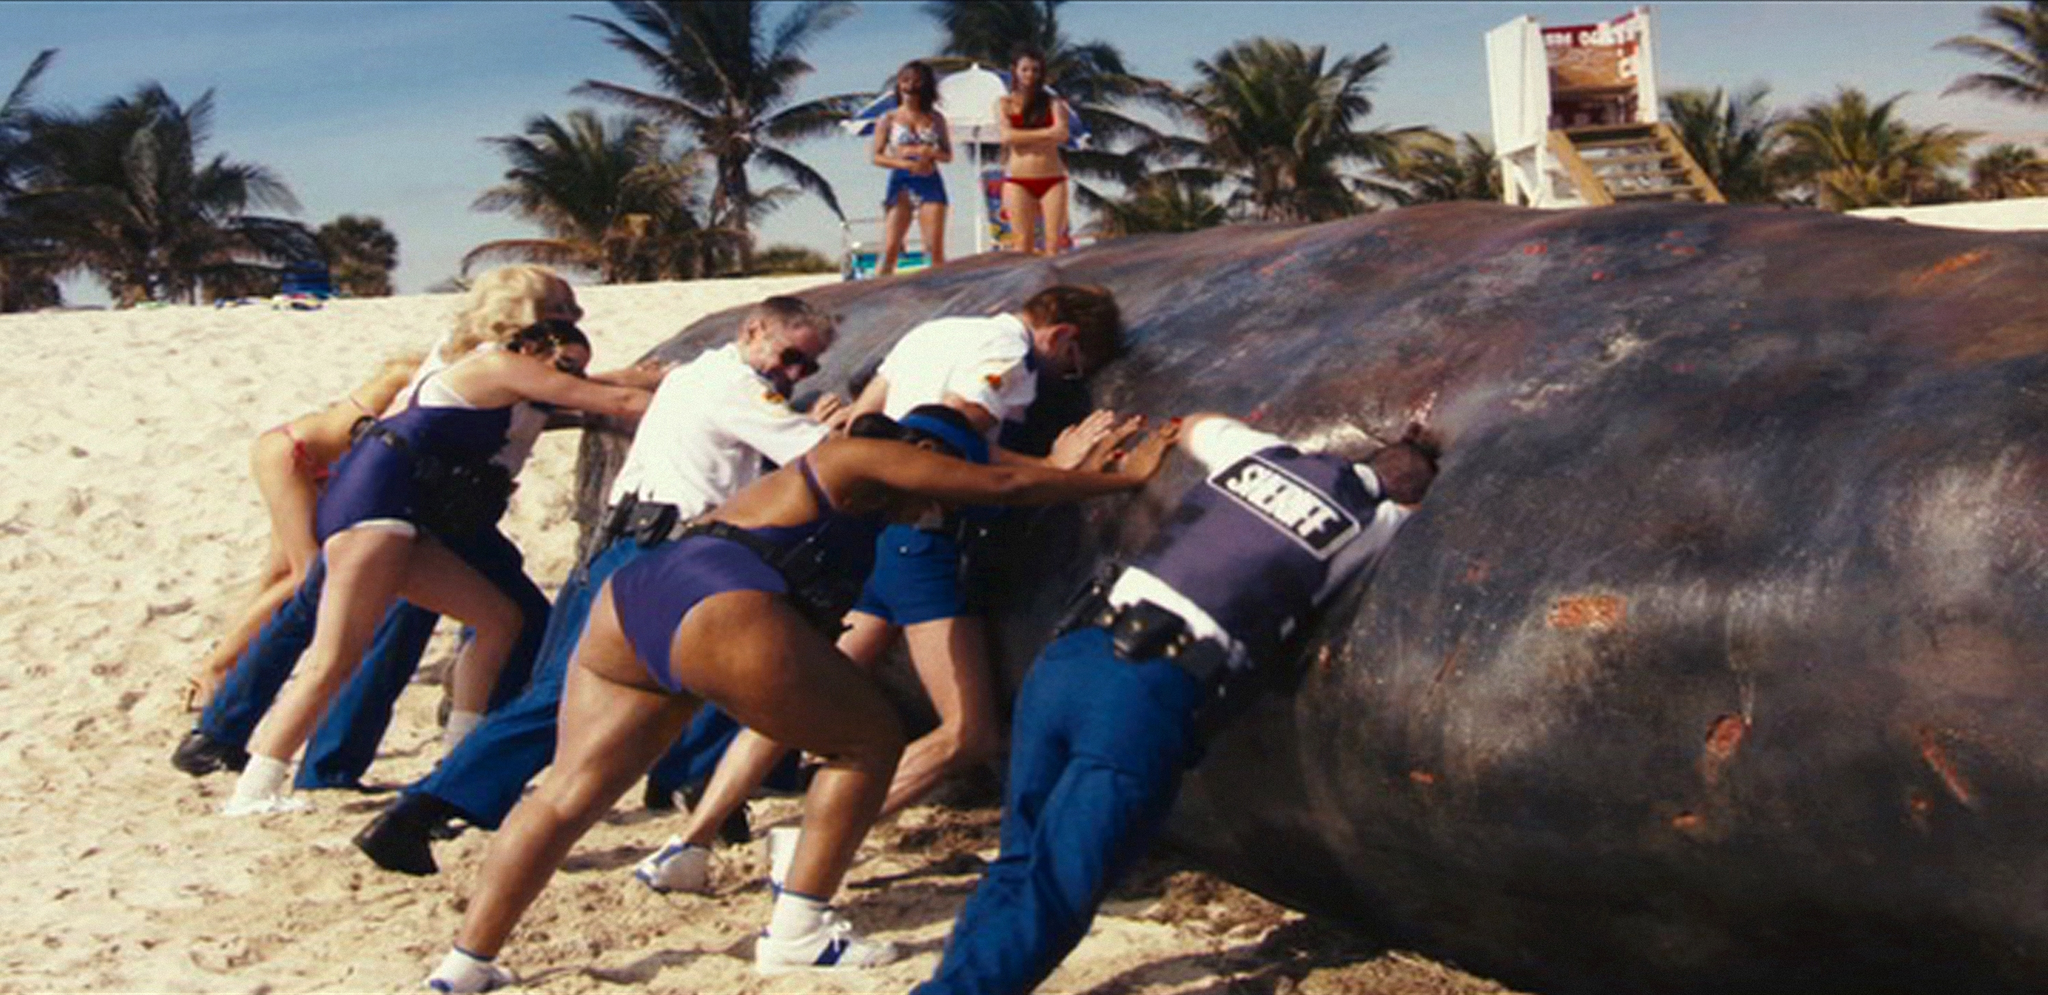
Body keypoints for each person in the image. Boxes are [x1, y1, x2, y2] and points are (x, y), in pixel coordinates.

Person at [420, 405, 1178, 993]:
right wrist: (1122, 475)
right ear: (925, 458)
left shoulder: (836, 490)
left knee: (566, 791)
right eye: (934, 489)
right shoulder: (864, 454)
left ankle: (466, 962)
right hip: (716, 594)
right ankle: (799, 929)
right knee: (870, 742)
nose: (931, 508)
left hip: (641, 597)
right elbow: (1002, 482)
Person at [912, 414, 1444, 995]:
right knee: (1061, 884)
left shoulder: (1262, 454)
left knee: (1019, 859)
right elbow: (1416, 531)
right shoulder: (1378, 522)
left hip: (1069, 657)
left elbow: (1195, 425)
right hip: (1144, 695)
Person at [632, 284, 1135, 892]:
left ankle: (689, 843)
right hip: (927, 536)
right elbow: (962, 446)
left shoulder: (937, 326)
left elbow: (860, 420)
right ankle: (807, 844)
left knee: (797, 703)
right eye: (1074, 364)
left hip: (880, 531)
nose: (1068, 375)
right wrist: (1057, 467)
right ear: (1064, 337)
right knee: (968, 732)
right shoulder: (1003, 351)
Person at [353, 296, 841, 876]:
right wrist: (835, 425)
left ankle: (689, 776)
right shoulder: (736, 387)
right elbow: (819, 458)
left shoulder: (696, 375)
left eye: (806, 368)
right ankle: (422, 810)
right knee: (570, 695)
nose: (791, 374)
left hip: (628, 543)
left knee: (698, 678)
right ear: (754, 330)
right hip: (656, 549)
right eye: (789, 357)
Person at [170, 266, 612, 788]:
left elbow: (553, 399)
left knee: (324, 607)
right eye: (559, 312)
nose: (571, 323)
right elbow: (556, 396)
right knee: (381, 623)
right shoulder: (496, 361)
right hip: (410, 503)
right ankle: (329, 761)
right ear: (523, 316)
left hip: (410, 498)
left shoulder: (480, 355)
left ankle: (230, 734)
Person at [183, 350, 422, 711]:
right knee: (306, 573)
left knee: (278, 574)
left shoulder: (412, 372)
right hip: (292, 454)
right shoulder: (412, 375)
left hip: (312, 461)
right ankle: (213, 668)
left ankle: (228, 661)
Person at [871, 59, 952, 275]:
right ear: (898, 84)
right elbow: (876, 156)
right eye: (905, 80)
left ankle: (940, 297)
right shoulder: (888, 119)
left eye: (916, 81)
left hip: (930, 178)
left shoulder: (935, 118)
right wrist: (904, 162)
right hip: (902, 181)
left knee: (934, 249)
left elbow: (947, 155)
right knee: (890, 247)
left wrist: (931, 152)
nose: (910, 86)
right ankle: (878, 294)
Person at [996, 46, 1071, 256]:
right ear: (1015, 71)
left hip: (1052, 178)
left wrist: (1023, 137)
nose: (1030, 74)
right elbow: (1007, 137)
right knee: (1022, 245)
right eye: (1025, 69)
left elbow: (1062, 134)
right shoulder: (1005, 103)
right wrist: (1047, 133)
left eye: (1035, 70)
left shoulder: (1053, 102)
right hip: (1018, 180)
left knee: (1054, 243)